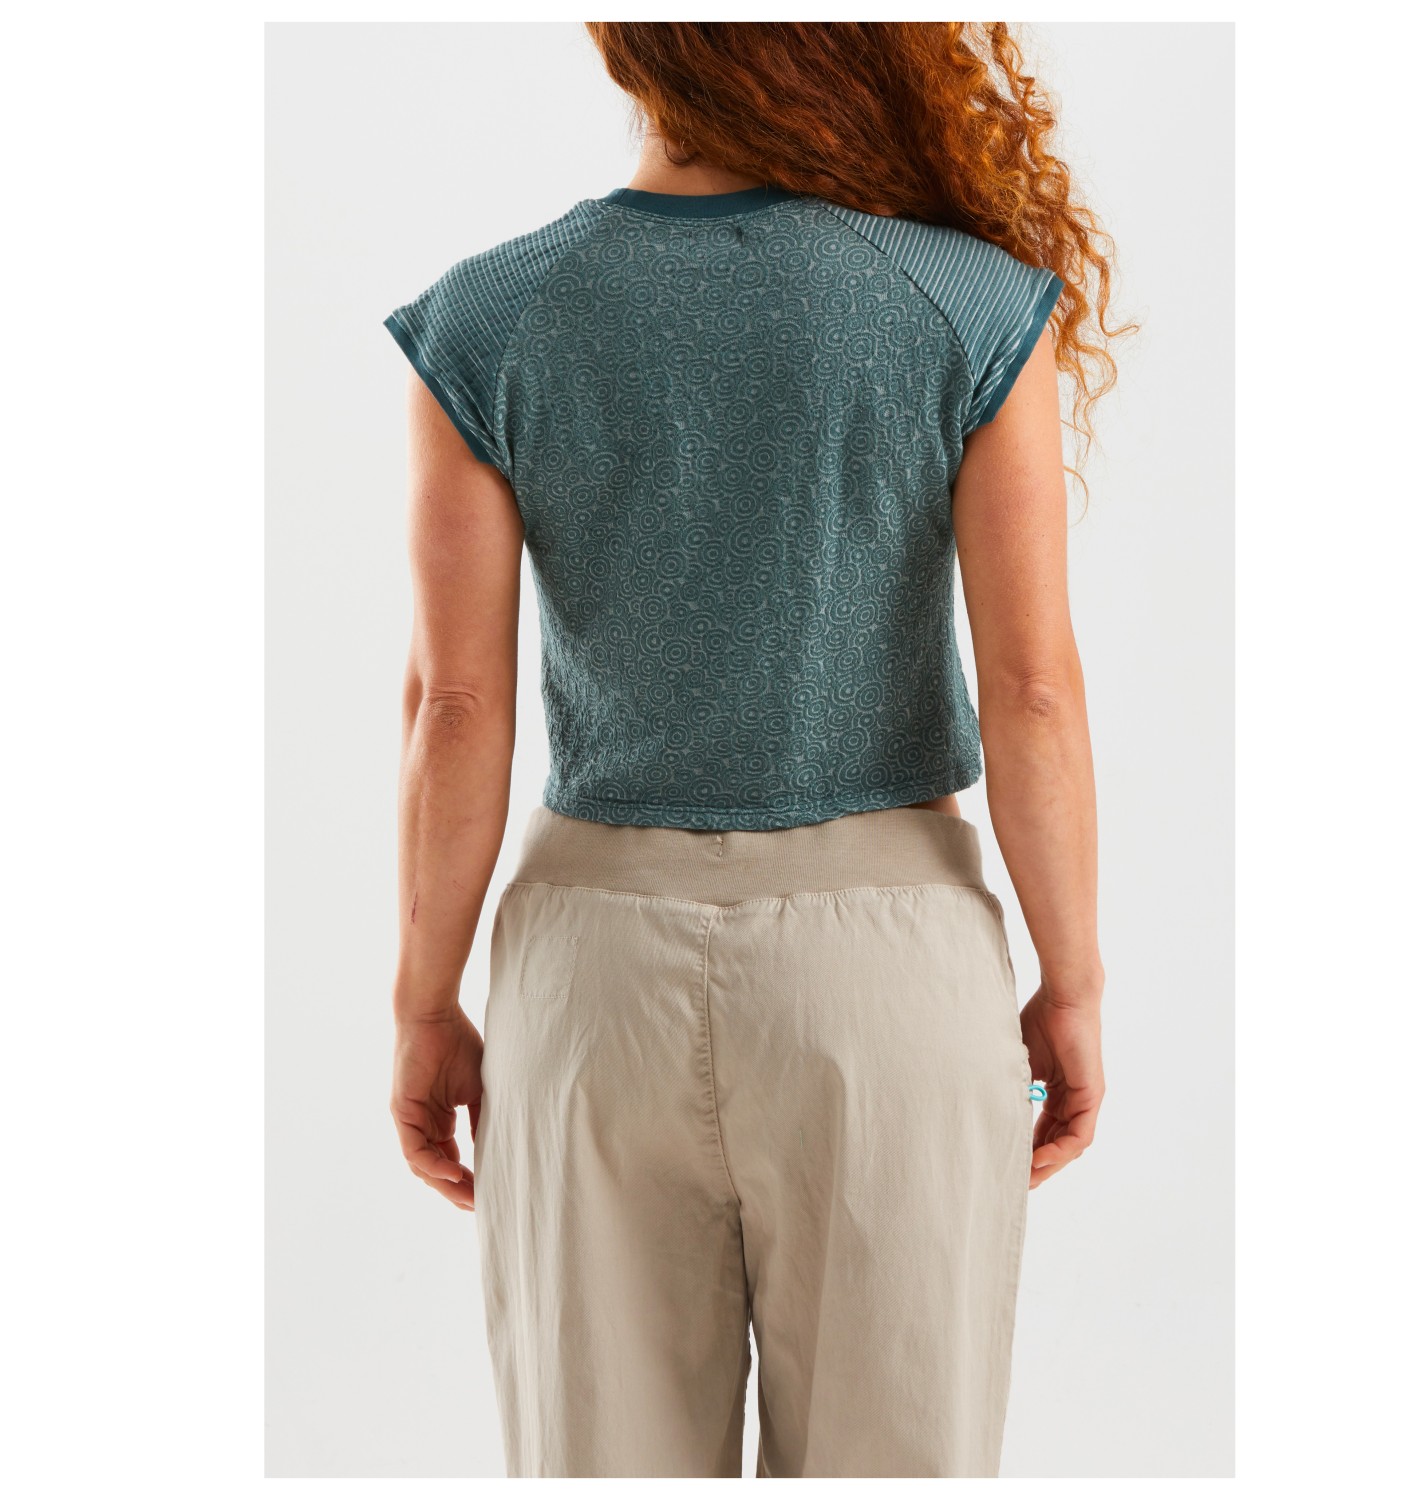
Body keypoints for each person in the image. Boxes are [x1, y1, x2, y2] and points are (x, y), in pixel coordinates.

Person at [384, 21, 1125, 1479]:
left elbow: (456, 708)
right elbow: (1034, 690)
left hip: (593, 978)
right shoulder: (968, 304)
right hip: (888, 975)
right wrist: (1074, 981)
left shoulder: (489, 316)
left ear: (629, 50)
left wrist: (425, 1003)